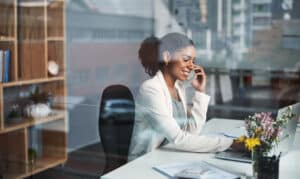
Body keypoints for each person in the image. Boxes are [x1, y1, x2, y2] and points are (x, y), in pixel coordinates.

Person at [129, 33, 240, 161]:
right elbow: (179, 139)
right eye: (186, 59)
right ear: (166, 57)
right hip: (144, 163)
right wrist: (230, 144)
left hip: (169, 157)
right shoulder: (151, 89)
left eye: (193, 61)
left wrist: (200, 91)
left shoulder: (178, 87)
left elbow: (192, 132)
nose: (191, 66)